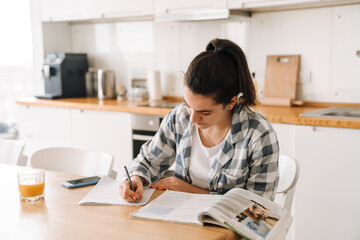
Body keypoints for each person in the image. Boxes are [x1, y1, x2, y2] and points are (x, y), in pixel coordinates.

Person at [119, 38, 279, 203]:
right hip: (180, 220)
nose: (193, 119)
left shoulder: (258, 135)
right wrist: (135, 177)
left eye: (205, 112)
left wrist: (190, 191)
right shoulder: (179, 117)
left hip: (225, 228)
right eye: (188, 105)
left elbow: (258, 207)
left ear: (231, 103)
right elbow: (147, 161)